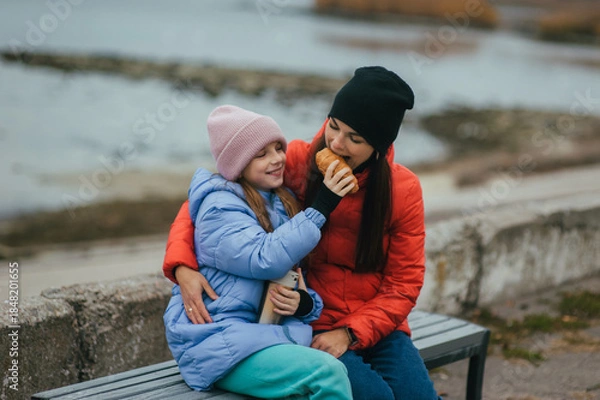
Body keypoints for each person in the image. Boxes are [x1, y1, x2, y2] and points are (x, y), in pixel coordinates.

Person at [164, 67, 443, 400]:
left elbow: (404, 283)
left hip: (376, 326)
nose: (337, 144)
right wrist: (182, 266)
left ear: (379, 148)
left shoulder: (403, 189)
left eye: (355, 138)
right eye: (333, 127)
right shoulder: (297, 162)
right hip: (314, 321)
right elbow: (209, 201)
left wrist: (351, 334)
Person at [163, 105, 355, 399]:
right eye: (261, 154)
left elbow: (293, 280)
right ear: (238, 164)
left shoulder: (281, 202)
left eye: (278, 148)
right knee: (326, 373)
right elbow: (264, 258)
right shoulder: (219, 207)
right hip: (217, 344)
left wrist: (302, 304)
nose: (278, 159)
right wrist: (322, 206)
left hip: (257, 336)